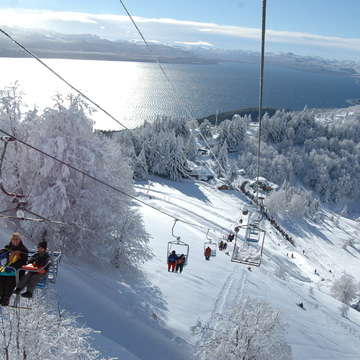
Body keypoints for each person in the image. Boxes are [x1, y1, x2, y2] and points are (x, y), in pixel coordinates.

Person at [0, 232, 28, 306]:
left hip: (18, 271)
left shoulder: (23, 250)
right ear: (11, 240)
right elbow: (3, 253)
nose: (15, 241)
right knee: (1, 278)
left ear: (19, 240)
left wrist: (13, 267)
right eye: (13, 239)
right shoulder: (8, 247)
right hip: (7, 269)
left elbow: (23, 261)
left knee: (10, 280)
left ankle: (6, 299)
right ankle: (1, 296)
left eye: (17, 239)